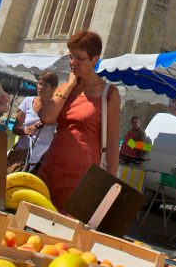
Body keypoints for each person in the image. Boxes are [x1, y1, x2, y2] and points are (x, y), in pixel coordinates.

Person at [38, 30, 120, 209]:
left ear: (94, 59)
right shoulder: (66, 87)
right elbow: (46, 118)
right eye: (71, 56)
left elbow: (113, 142)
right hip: (51, 166)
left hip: (81, 175)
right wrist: (69, 86)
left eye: (79, 58)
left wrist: (108, 186)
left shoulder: (109, 93)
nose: (73, 63)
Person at [12, 70, 58, 172]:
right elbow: (15, 129)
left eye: (45, 85)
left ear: (54, 88)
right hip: (20, 154)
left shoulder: (57, 108)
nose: (40, 87)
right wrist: (25, 131)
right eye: (39, 83)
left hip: (41, 159)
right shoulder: (27, 101)